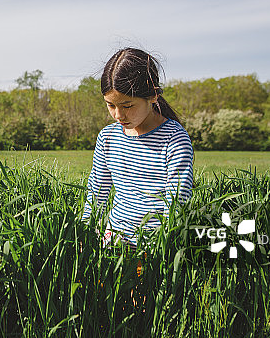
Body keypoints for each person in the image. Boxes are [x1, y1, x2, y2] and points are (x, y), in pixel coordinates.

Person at [82, 48, 194, 248]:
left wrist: (161, 249)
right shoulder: (107, 138)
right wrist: (86, 234)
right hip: (112, 244)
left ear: (153, 96)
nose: (118, 115)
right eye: (111, 105)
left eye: (127, 106)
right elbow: (97, 192)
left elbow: (177, 202)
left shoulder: (174, 139)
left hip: (155, 247)